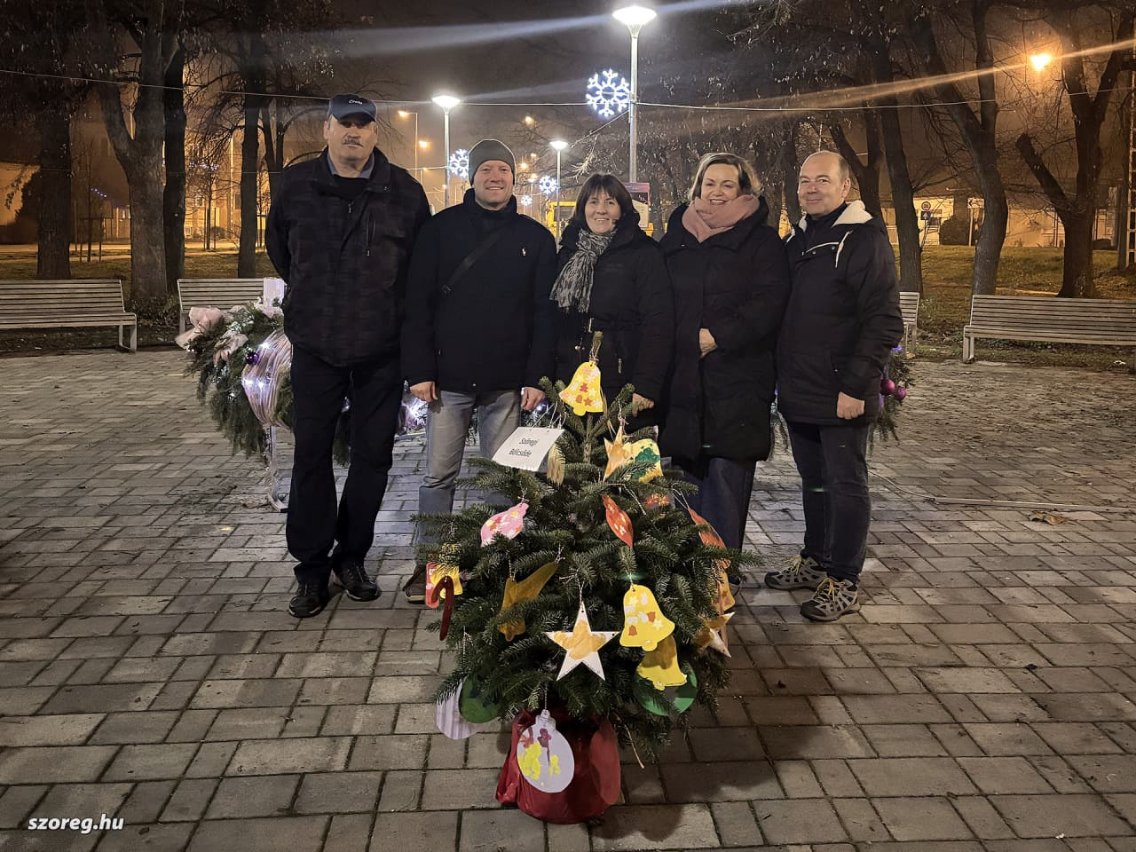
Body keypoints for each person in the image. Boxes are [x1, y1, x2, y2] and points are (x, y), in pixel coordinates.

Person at [266, 93, 430, 618]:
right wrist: (313, 301)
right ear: (327, 130)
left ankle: (351, 556)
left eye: (363, 125)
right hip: (316, 346)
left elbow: (419, 268)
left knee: (373, 458)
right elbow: (281, 252)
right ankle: (312, 568)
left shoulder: (404, 192)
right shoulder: (295, 186)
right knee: (311, 456)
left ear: (375, 133)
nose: (353, 132)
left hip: (381, 350)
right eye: (344, 123)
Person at [401, 139, 557, 602]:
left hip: (507, 383)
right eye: (486, 169)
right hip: (447, 380)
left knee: (501, 479)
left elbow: (544, 314)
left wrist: (535, 375)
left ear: (514, 178)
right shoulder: (440, 230)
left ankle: (498, 564)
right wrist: (419, 369)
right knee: (438, 476)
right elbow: (417, 304)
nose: (495, 177)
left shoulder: (535, 238)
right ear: (471, 177)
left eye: (503, 170)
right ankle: (431, 565)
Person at [764, 150, 903, 622]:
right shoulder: (798, 238)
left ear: (845, 187)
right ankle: (816, 558)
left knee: (846, 485)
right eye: (805, 180)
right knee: (815, 482)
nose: (811, 188)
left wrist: (857, 386)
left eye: (822, 180)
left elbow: (884, 321)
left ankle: (844, 578)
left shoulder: (862, 239)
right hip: (800, 388)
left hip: (843, 390)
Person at [659, 152, 790, 570]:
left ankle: (721, 576)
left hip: (737, 380)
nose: (716, 192)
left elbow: (769, 302)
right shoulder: (676, 236)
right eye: (709, 183)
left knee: (726, 483)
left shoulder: (762, 241)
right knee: (684, 485)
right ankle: (687, 579)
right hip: (684, 380)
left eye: (727, 184)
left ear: (743, 190)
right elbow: (657, 299)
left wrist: (717, 335)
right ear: (697, 187)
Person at [551, 174, 672, 427]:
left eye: (610, 203)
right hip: (572, 375)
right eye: (593, 202)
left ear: (622, 209)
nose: (601, 210)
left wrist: (647, 384)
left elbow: (658, 322)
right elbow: (553, 318)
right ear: (583, 208)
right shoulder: (570, 252)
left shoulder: (643, 253)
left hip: (622, 376)